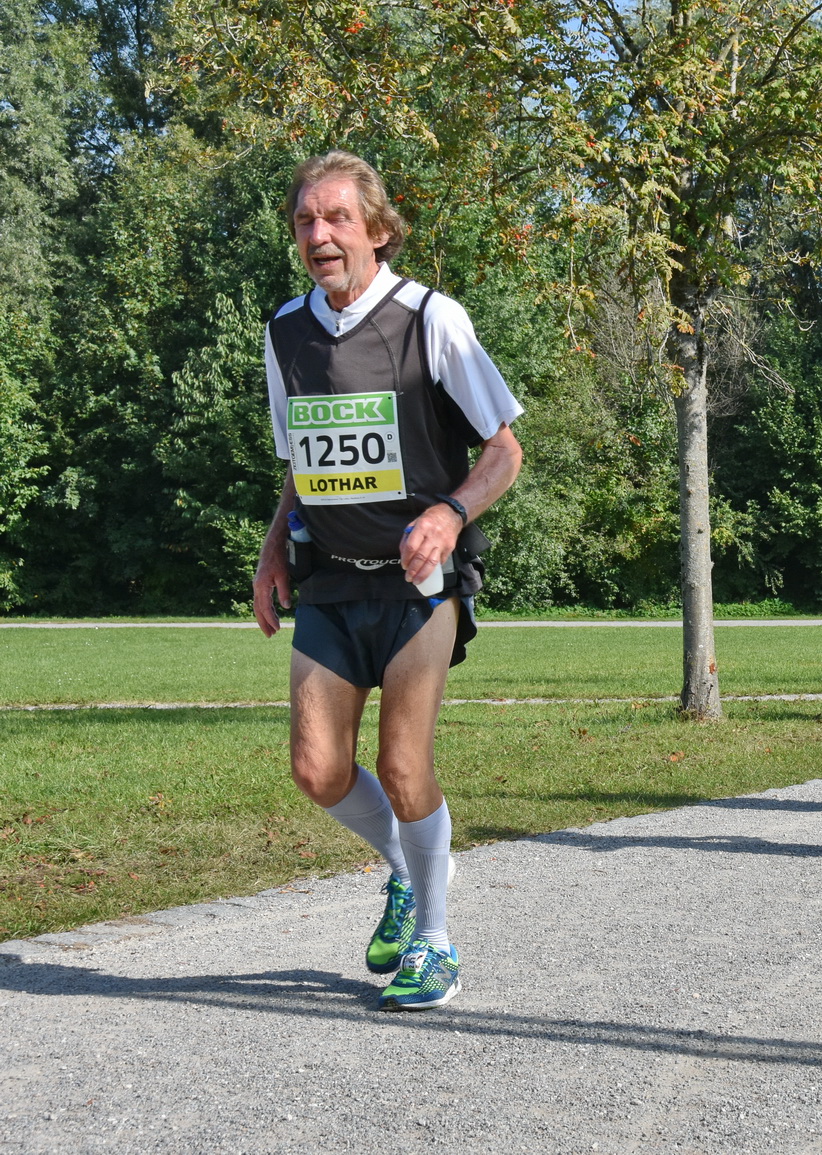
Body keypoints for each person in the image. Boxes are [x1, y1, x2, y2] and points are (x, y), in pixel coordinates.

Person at [252, 150, 524, 1012]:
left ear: (376, 228)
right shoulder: (284, 333)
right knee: (315, 768)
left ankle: (436, 941)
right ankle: (404, 871)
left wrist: (450, 512)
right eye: (306, 220)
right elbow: (300, 461)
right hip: (331, 579)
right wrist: (272, 548)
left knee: (404, 768)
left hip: (421, 582)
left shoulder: (431, 319)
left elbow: (504, 450)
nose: (320, 235)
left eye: (337, 217)